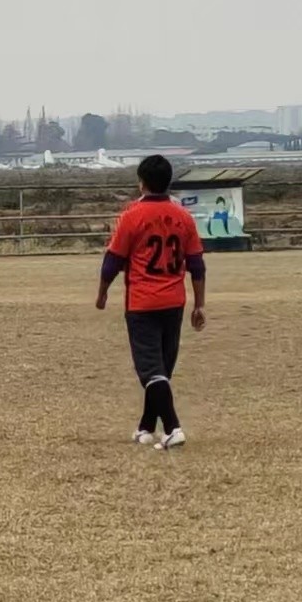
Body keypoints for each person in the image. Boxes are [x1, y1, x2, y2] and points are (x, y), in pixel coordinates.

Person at [97, 155, 207, 450]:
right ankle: (146, 427)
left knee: (150, 370)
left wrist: (103, 291)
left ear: (141, 182)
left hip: (142, 303)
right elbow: (196, 265)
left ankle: (172, 428)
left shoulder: (131, 216)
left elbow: (113, 260)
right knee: (161, 369)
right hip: (174, 302)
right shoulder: (184, 217)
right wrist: (199, 304)